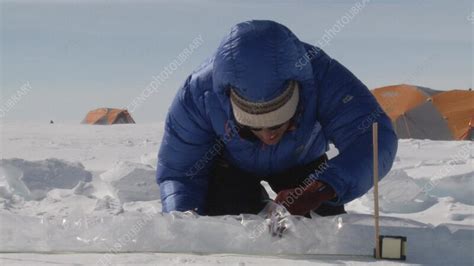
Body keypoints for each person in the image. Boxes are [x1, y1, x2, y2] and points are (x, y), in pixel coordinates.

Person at [156, 20, 398, 217]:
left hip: (303, 162)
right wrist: (182, 218)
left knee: (321, 216)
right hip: (233, 166)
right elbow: (180, 171)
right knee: (227, 215)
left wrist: (323, 188)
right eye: (252, 128)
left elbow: (374, 138)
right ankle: (253, 203)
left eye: (279, 123)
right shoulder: (199, 93)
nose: (269, 136)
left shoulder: (323, 76)